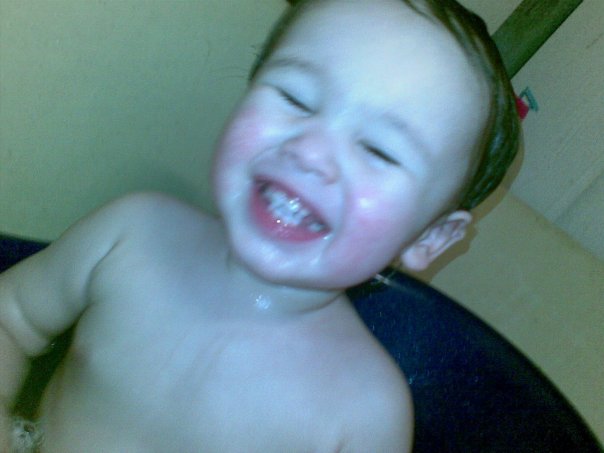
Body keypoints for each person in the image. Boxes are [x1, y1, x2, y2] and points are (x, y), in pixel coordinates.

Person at [0, 0, 520, 451]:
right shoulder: (130, 234)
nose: (310, 152)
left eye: (379, 150)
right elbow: (10, 321)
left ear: (430, 237)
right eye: (295, 97)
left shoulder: (364, 412)